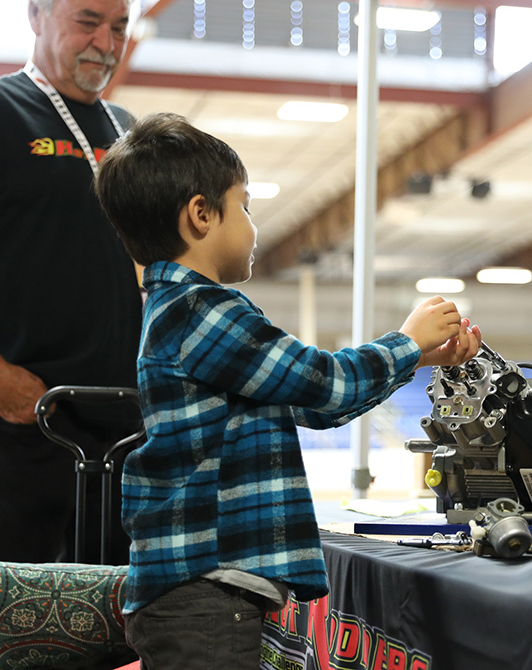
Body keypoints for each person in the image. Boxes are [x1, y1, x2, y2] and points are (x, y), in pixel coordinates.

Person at [94, 111, 483, 669]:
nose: (253, 224)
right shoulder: (200, 311)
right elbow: (324, 382)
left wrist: (417, 356)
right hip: (203, 590)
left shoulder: (184, 311)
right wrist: (404, 340)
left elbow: (311, 403)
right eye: (245, 206)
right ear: (201, 215)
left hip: (205, 589)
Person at [0, 0, 140, 563]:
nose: (105, 45)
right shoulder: (6, 110)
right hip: (26, 419)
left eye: (119, 27)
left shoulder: (129, 130)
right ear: (36, 16)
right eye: (88, 22)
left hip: (124, 427)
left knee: (109, 630)